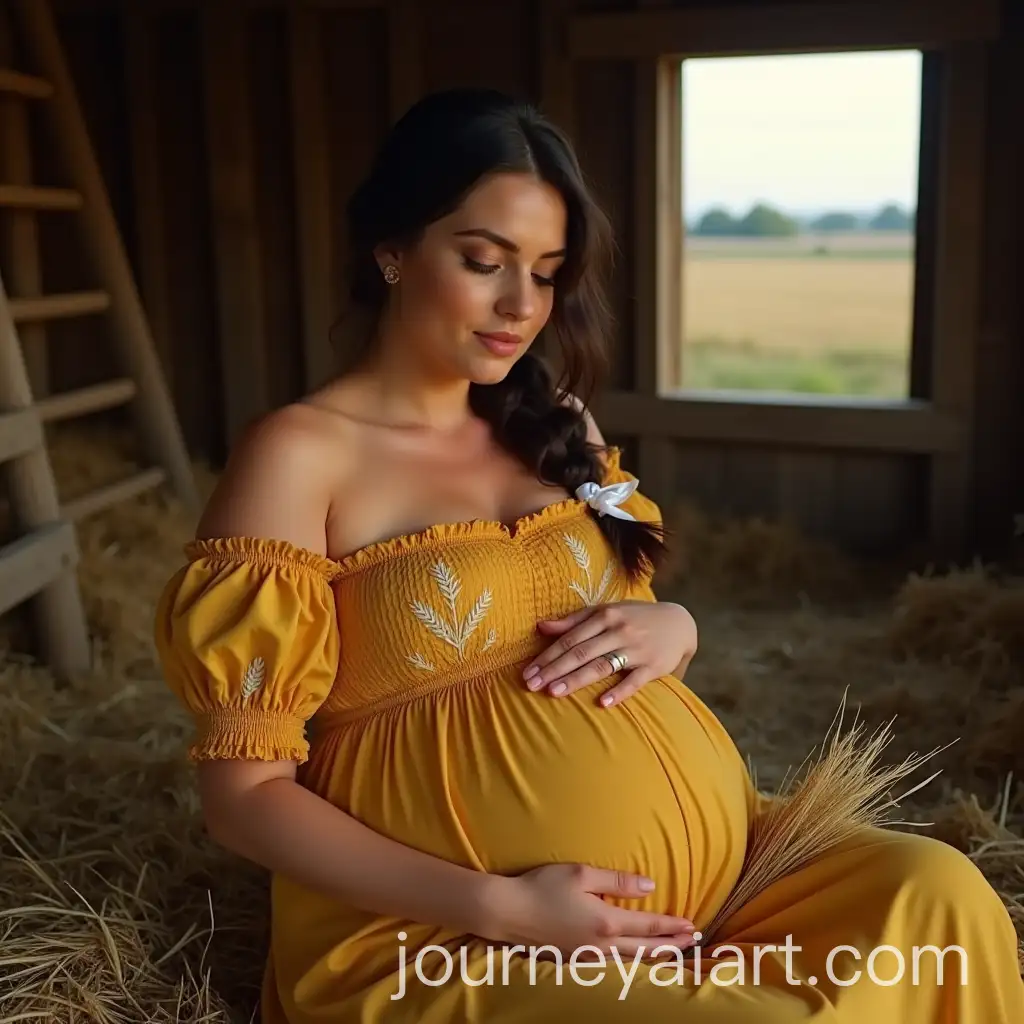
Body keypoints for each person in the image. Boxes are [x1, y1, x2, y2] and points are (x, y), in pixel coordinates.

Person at [153, 87, 1023, 1023]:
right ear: (392, 250)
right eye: (483, 261)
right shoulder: (299, 454)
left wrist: (674, 627)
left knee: (940, 891)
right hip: (452, 937)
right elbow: (241, 799)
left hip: (706, 892)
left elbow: (628, 624)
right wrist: (505, 906)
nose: (521, 305)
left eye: (548, 270)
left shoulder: (557, 424)